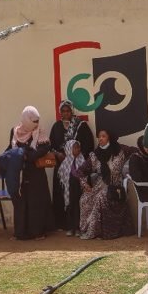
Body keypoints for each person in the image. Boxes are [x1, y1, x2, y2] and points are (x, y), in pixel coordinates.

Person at [77, 128, 132, 240]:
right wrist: (84, 184)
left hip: (115, 185)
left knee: (101, 197)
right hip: (100, 184)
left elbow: (138, 151)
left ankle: (98, 231)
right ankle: (86, 228)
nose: (100, 139)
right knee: (84, 198)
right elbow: (81, 171)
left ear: (109, 138)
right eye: (99, 136)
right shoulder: (95, 155)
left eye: (103, 136)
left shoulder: (120, 150)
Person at [8, 106, 53, 241]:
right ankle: (21, 232)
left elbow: (45, 148)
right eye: (33, 121)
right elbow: (11, 148)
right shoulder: (15, 131)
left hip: (36, 172)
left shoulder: (40, 131)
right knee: (21, 201)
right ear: (26, 119)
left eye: (37, 120)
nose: (36, 123)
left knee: (36, 202)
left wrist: (29, 156)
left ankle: (38, 231)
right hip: (20, 172)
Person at [49, 99, 95, 230]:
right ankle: (63, 224)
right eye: (63, 111)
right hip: (62, 166)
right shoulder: (56, 126)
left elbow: (89, 144)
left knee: (78, 193)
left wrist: (76, 156)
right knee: (62, 192)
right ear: (60, 112)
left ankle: (80, 222)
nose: (65, 113)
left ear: (72, 111)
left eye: (68, 111)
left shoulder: (81, 125)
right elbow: (51, 145)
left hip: (78, 166)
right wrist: (58, 154)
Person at [58, 140, 87, 237]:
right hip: (69, 189)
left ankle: (78, 228)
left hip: (79, 188)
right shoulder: (65, 163)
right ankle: (70, 228)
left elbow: (85, 175)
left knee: (78, 207)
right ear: (69, 149)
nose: (78, 149)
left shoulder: (82, 160)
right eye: (75, 148)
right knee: (70, 207)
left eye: (79, 147)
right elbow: (62, 177)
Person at [127, 135, 148, 203]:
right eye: (144, 145)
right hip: (145, 191)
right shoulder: (135, 158)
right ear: (140, 146)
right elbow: (138, 178)